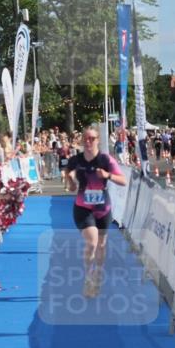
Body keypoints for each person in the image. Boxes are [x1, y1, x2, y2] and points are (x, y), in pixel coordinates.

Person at [64, 125, 127, 297]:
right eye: (86, 138)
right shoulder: (75, 161)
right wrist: (70, 181)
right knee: (92, 242)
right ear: (82, 140)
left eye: (92, 138)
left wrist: (108, 176)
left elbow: (123, 181)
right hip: (83, 207)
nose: (89, 141)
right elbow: (70, 187)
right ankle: (88, 277)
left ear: (98, 140)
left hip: (103, 208)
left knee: (101, 244)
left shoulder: (106, 160)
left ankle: (98, 273)